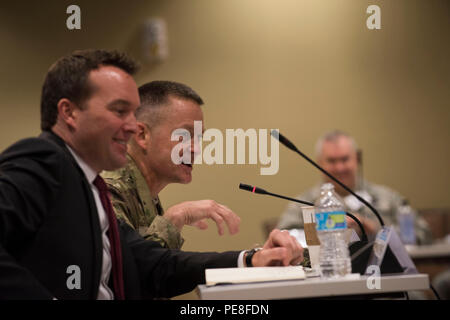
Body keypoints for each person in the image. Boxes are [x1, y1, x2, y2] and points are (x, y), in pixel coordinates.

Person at [0, 49, 303, 299]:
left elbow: (151, 265)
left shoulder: (89, 186)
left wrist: (249, 259)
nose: (132, 126)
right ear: (69, 113)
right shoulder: (45, 159)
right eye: (120, 111)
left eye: (133, 113)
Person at [101, 81, 240, 249]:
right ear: (142, 135)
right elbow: (131, 270)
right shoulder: (108, 191)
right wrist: (175, 218)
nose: (196, 150)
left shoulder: (142, 191)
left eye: (199, 138)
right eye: (184, 135)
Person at [277, 130, 432, 244]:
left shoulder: (388, 198)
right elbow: (283, 238)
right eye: (331, 161)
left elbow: (423, 234)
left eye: (345, 159)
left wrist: (374, 230)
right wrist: (323, 232)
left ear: (357, 159)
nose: (339, 168)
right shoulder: (303, 203)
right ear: (319, 163)